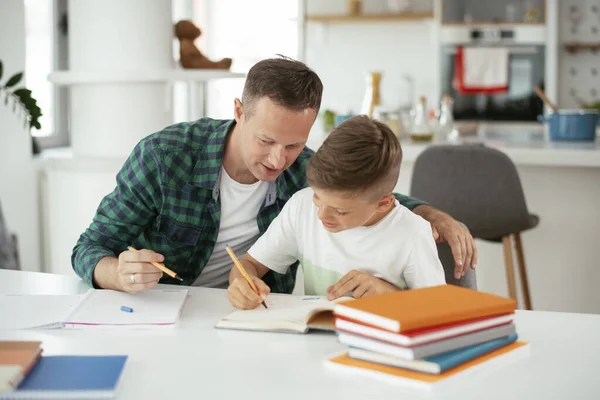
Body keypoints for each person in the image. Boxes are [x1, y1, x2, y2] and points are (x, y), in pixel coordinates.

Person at [71, 56, 476, 295]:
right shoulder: (164, 157)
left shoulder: (307, 174)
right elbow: (88, 249)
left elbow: (368, 195)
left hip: (253, 318)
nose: (278, 159)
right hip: (163, 310)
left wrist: (433, 214)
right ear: (238, 111)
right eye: (266, 140)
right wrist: (117, 273)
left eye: (294, 145)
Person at [227, 116, 446, 309]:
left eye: (340, 211)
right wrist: (242, 283)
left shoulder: (413, 233)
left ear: (383, 203)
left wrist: (389, 295)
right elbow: (249, 265)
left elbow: (439, 310)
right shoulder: (301, 207)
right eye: (317, 197)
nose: (321, 215)